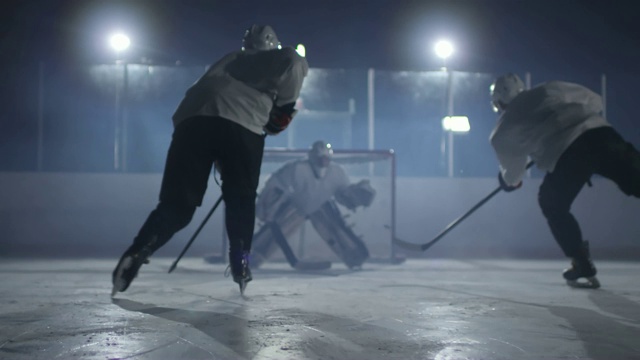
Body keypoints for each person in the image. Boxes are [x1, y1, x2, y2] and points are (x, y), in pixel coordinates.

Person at [111, 24, 308, 296]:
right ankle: (241, 260)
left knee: (178, 205)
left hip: (191, 123)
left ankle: (139, 249)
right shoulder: (280, 58)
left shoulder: (229, 60)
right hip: (242, 125)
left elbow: (214, 106)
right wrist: (282, 111)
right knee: (240, 198)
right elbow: (293, 66)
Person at [489, 73, 640, 289]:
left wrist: (508, 182)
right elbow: (595, 101)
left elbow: (514, 174)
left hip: (569, 156)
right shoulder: (548, 89)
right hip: (601, 135)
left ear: (498, 102)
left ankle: (581, 262)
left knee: (552, 203)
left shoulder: (501, 132)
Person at [247, 140, 376, 270]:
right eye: (321, 158)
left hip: (320, 205)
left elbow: (342, 194)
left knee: (337, 231)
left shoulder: (337, 172)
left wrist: (355, 196)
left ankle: (355, 257)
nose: (323, 162)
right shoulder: (297, 169)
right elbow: (275, 185)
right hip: (296, 205)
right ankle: (250, 258)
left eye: (326, 159)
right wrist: (267, 206)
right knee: (271, 235)